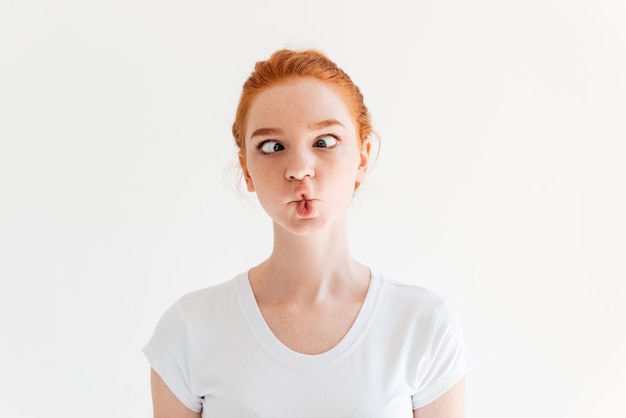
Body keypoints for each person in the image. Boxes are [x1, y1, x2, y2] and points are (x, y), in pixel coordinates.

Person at [143, 48, 472, 418]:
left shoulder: (423, 326)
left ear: (363, 157)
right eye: (272, 146)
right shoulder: (190, 330)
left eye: (324, 142)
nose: (299, 169)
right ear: (246, 170)